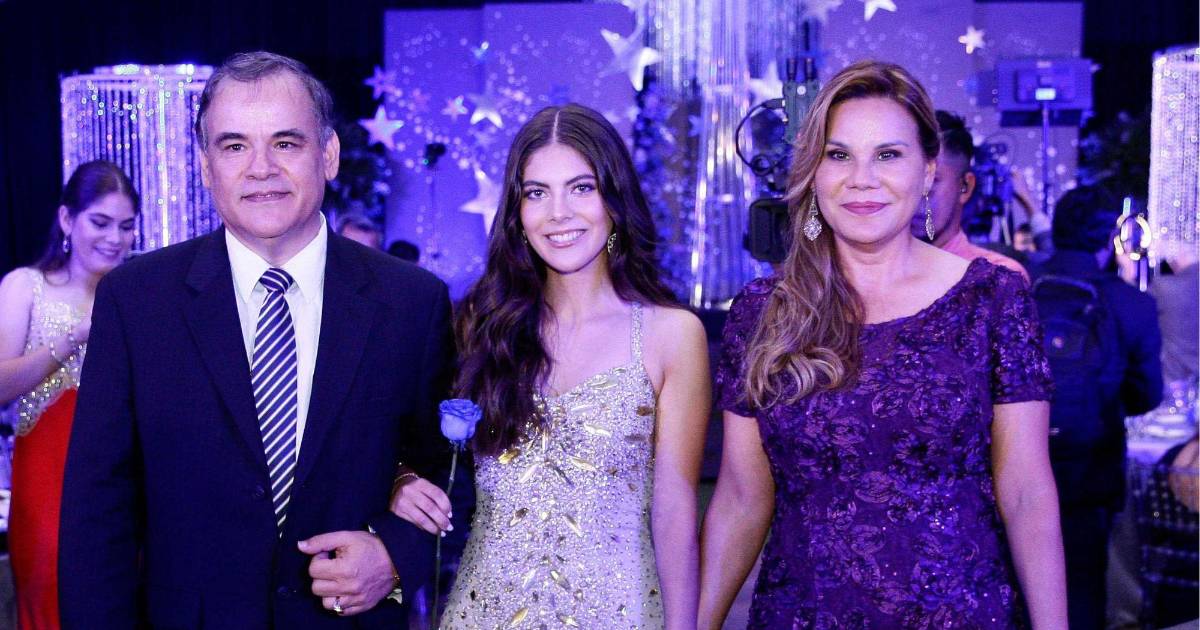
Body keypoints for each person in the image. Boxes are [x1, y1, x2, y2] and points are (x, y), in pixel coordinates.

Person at [57, 51, 452, 628]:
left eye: (286, 143)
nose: (260, 168)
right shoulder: (137, 302)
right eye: (234, 146)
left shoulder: (411, 303)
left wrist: (395, 558)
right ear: (205, 165)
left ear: (329, 155)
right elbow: (97, 513)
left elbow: (452, 471)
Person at [699, 60, 1067, 628]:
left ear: (928, 171)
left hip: (962, 615)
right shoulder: (764, 312)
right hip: (803, 616)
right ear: (812, 173)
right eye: (838, 155)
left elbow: (1026, 491)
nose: (862, 179)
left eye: (888, 155)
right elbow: (743, 497)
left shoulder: (993, 299)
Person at [388, 103, 710, 628]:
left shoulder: (671, 335)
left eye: (581, 188)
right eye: (536, 193)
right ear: (517, 213)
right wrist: (401, 481)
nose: (558, 213)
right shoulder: (478, 328)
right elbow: (403, 446)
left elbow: (674, 512)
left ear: (615, 200)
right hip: (483, 614)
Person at [0, 160, 138, 630]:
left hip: (123, 482)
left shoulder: (137, 296)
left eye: (126, 226)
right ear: (66, 219)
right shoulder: (27, 287)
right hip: (46, 480)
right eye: (100, 222)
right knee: (51, 592)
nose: (114, 238)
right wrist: (73, 338)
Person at [1032, 184, 1162, 630]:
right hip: (1091, 471)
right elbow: (1148, 395)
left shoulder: (1017, 285)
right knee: (1083, 587)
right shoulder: (1132, 304)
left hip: (1015, 463)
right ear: (1108, 237)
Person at [914, 110, 1028, 281]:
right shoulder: (875, 273)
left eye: (930, 182)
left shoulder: (997, 279)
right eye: (906, 180)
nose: (914, 196)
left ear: (965, 187)